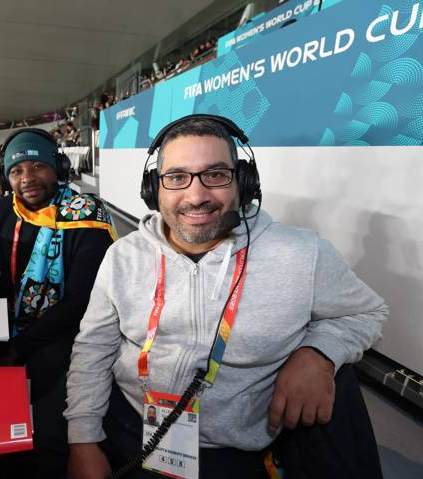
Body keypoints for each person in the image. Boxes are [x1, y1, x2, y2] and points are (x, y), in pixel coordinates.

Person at [64, 115, 388, 479]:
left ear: (243, 183)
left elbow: (367, 312)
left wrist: (319, 353)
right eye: (177, 177)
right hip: (130, 430)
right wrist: (84, 442)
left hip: (236, 452)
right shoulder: (123, 257)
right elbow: (93, 349)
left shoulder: (302, 254)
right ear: (154, 188)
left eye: (216, 175)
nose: (197, 195)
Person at [0, 129, 116, 478]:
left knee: (46, 435)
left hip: (72, 336)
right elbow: (5, 275)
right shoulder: (3, 210)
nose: (27, 178)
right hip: (20, 330)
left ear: (57, 168)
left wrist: (17, 349)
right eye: (16, 171)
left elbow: (79, 304)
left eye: (37, 166)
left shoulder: (87, 216)